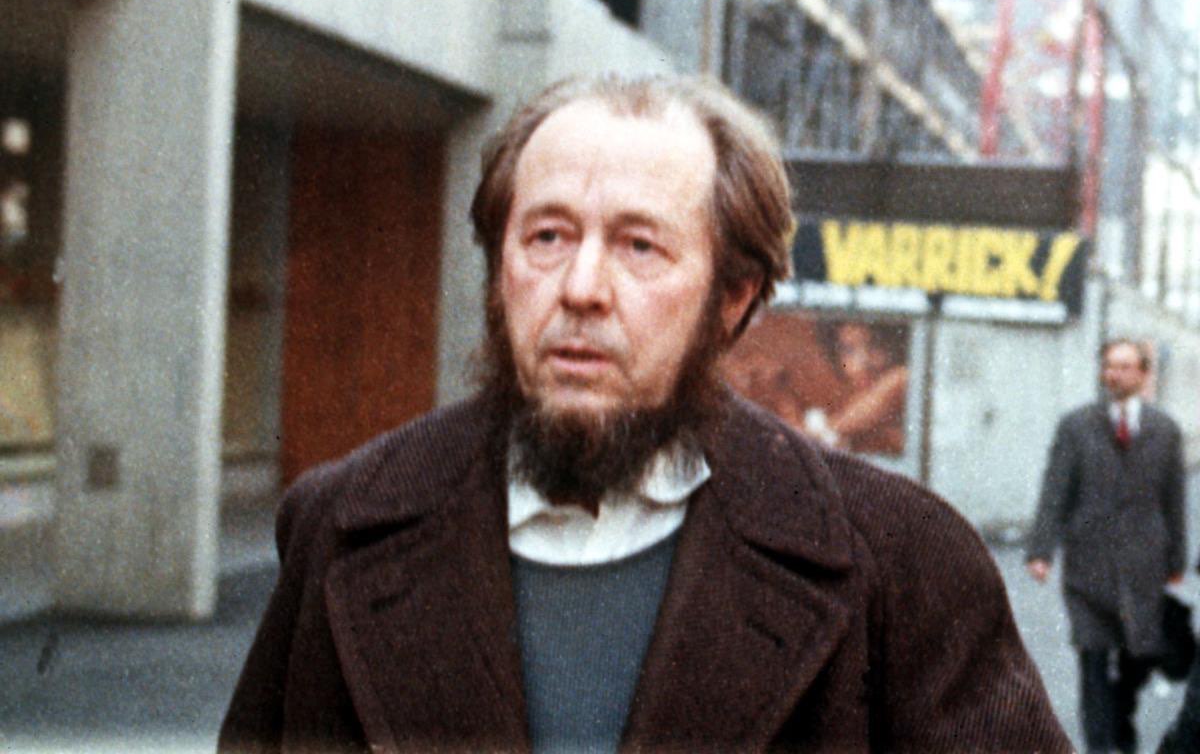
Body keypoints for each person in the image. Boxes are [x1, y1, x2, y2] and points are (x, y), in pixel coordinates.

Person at [219, 74, 1069, 753]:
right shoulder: (342, 525)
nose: (582, 288)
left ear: (732, 299)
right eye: (548, 237)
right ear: (499, 269)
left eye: (639, 246)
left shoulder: (900, 562)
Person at [1027, 338, 1186, 754]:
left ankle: (1121, 722)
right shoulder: (1076, 425)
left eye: (1125, 366)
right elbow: (1055, 490)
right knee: (1093, 657)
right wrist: (1041, 550)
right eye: (1109, 366)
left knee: (1138, 654)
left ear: (1144, 374)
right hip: (1088, 564)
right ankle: (1098, 746)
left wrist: (1177, 559)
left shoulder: (1165, 430)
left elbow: (1174, 500)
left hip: (1143, 565)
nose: (1114, 374)